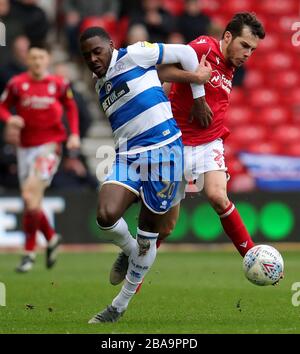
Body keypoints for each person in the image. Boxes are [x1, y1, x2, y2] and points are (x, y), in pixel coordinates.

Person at [109, 12, 267, 288]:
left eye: (252, 50)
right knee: (166, 226)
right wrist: (195, 80)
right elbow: (161, 71)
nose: (247, 54)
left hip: (209, 142)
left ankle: (254, 257)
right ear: (227, 37)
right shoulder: (203, 46)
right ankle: (134, 256)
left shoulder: (232, 64)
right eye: (244, 45)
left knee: (218, 197)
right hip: (175, 144)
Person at [79, 26, 211, 323]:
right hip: (127, 156)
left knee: (149, 235)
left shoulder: (137, 53)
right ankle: (129, 251)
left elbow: (188, 53)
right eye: (87, 55)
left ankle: (119, 306)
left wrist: (199, 98)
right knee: (105, 215)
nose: (93, 58)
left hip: (164, 153)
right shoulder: (97, 83)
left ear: (110, 45)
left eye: (97, 50)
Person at [0, 44, 80, 272]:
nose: (37, 62)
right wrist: (10, 119)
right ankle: (51, 237)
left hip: (50, 147)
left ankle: (28, 252)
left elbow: (71, 108)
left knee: (28, 194)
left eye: (41, 57)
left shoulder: (59, 84)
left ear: (48, 60)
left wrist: (73, 134)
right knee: (31, 201)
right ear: (28, 60)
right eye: (33, 58)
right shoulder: (17, 84)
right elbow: (3, 107)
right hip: (25, 148)